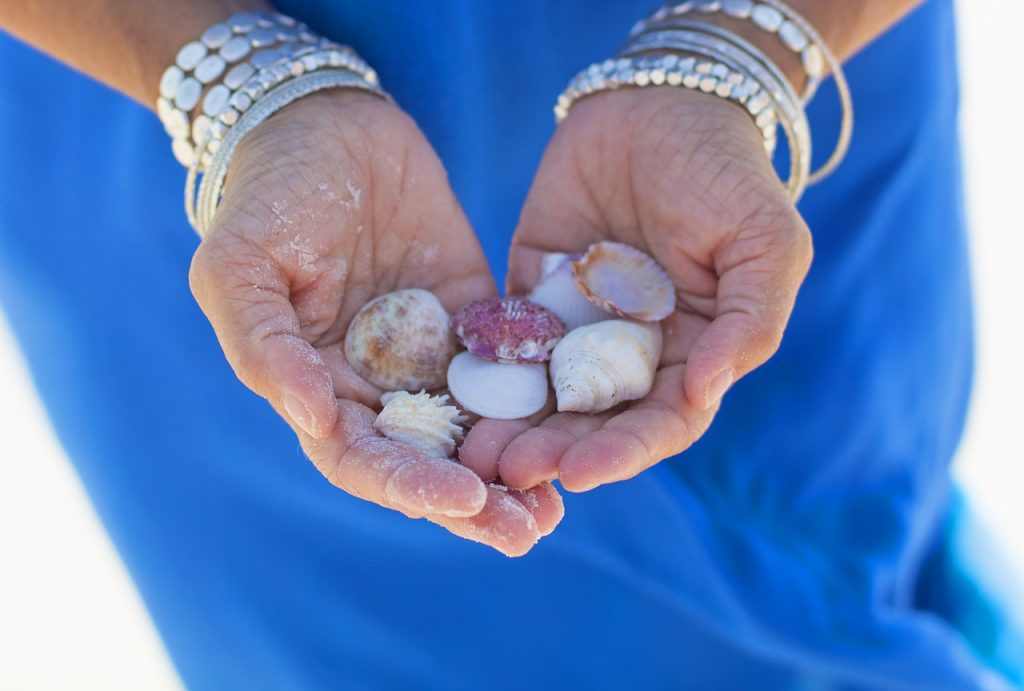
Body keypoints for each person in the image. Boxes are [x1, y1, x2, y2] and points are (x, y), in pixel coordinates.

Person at [0, 0, 1020, 688]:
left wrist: (737, 44)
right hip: (147, 70)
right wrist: (236, 79)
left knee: (818, 557)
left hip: (759, 92)